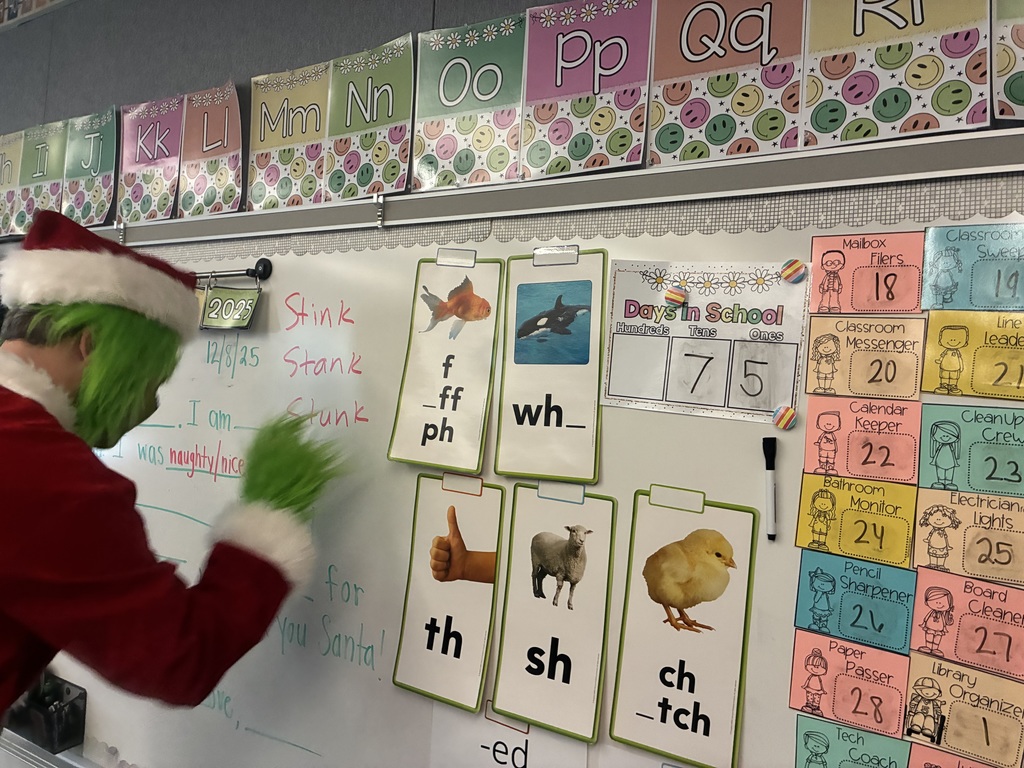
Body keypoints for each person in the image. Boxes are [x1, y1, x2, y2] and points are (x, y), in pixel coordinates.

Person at [0, 211, 339, 711]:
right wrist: (269, 527)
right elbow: (178, 660)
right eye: (149, 380)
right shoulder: (47, 473)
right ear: (88, 346)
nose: (150, 406)